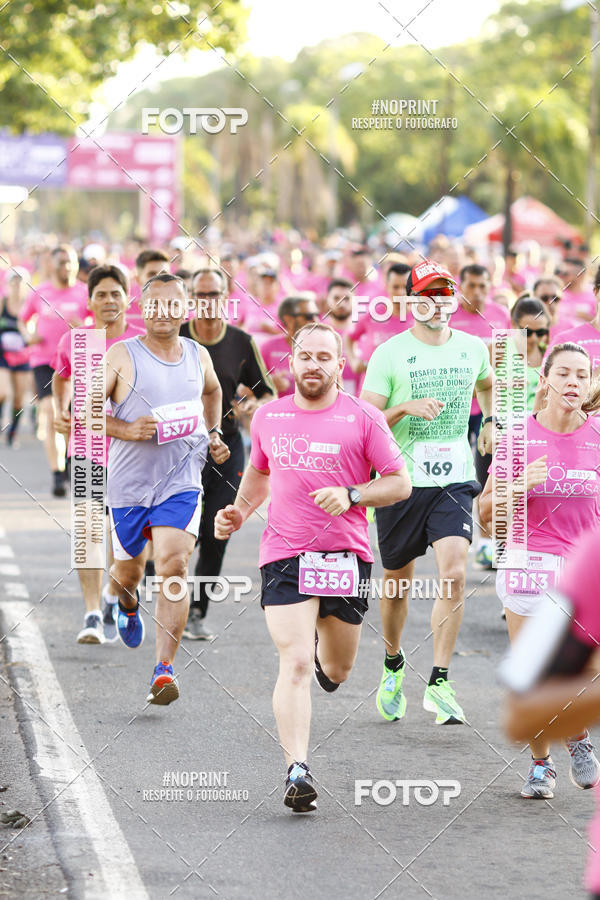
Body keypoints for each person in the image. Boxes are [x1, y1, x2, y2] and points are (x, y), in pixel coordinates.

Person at [214, 323, 410, 812]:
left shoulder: (364, 417)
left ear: (340, 365)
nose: (314, 365)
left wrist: (352, 494)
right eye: (305, 356)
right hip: (284, 552)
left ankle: (327, 657)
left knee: (337, 668)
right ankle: (296, 769)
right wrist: (240, 511)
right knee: (295, 660)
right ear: (292, 362)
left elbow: (399, 483)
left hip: (346, 555)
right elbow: (259, 471)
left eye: (325, 356)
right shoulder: (270, 417)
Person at [361, 258, 495, 726]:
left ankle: (439, 681)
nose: (438, 302)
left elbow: (487, 386)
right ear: (411, 301)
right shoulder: (389, 353)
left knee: (455, 573)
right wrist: (405, 407)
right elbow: (366, 419)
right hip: (400, 481)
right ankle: (394, 661)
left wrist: (491, 421)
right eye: (428, 294)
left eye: (445, 293)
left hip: (454, 479)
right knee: (398, 580)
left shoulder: (473, 347)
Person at [100, 273, 230, 704]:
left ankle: (164, 670)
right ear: (143, 307)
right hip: (129, 487)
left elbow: (213, 392)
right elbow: (82, 412)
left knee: (173, 565)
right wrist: (126, 428)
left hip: (181, 482)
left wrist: (213, 434)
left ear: (186, 309)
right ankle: (128, 602)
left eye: (173, 305)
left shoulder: (198, 355)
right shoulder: (123, 354)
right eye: (155, 304)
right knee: (129, 574)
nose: (164, 312)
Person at [481, 342, 600, 797]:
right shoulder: (517, 438)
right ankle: (540, 765)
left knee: (575, 670)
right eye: (564, 373)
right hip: (527, 559)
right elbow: (486, 514)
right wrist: (516, 485)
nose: (573, 381)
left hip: (582, 567)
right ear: (545, 380)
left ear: (589, 384)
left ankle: (577, 732)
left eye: (581, 374)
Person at [503, 525, 600, 896]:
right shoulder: (594, 557)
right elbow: (519, 711)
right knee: (543, 679)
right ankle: (547, 759)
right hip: (531, 562)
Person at [179, 267, 275, 640]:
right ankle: (168, 593)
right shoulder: (178, 337)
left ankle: (197, 611)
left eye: (214, 295)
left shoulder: (240, 341)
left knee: (217, 529)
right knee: (180, 531)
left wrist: (254, 406)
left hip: (226, 447)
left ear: (226, 298)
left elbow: (265, 391)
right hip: (180, 446)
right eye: (200, 295)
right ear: (190, 299)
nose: (207, 302)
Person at [52, 264, 144, 644]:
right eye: (101, 294)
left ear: (127, 297)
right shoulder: (77, 340)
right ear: (89, 300)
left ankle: (111, 598)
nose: (109, 301)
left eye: (115, 293)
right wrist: (61, 410)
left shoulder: (143, 341)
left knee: (125, 537)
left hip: (134, 453)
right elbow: (61, 376)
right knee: (89, 530)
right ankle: (92, 613)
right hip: (88, 448)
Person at [19, 245, 88, 496]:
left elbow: (100, 323)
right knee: (50, 411)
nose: (66, 267)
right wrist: (28, 335)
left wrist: (86, 325)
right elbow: (23, 318)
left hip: (77, 361)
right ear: (52, 265)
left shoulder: (85, 292)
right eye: (61, 263)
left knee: (72, 418)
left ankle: (71, 464)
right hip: (43, 361)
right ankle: (57, 473)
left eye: (70, 262)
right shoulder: (40, 292)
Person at [345, 263, 412, 386]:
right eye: (396, 287)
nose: (401, 292)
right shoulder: (373, 314)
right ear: (386, 287)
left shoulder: (421, 317)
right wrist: (354, 362)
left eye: (405, 287)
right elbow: (349, 336)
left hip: (405, 390)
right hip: (372, 390)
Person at [261, 295, 320, 397]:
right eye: (309, 316)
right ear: (289, 320)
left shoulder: (324, 349)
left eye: (317, 315)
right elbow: (248, 388)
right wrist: (268, 383)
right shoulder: (268, 347)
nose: (316, 321)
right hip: (278, 411)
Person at [548, 264, 600, 374]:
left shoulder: (589, 297)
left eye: (568, 273)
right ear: (596, 291)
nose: (564, 276)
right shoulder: (565, 339)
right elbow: (545, 386)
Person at [0, 267, 31, 446]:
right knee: (2, 392)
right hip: (3, 354)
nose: (17, 285)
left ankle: (13, 433)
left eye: (20, 281)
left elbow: (33, 334)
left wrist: (25, 331)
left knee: (19, 398)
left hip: (23, 356)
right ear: (9, 283)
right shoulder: (3, 303)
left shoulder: (29, 304)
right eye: (14, 281)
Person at [508, 296, 550, 411]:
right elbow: (475, 391)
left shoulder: (550, 353)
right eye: (527, 332)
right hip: (501, 426)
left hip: (537, 426)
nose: (534, 338)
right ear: (513, 324)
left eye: (541, 332)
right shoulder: (498, 348)